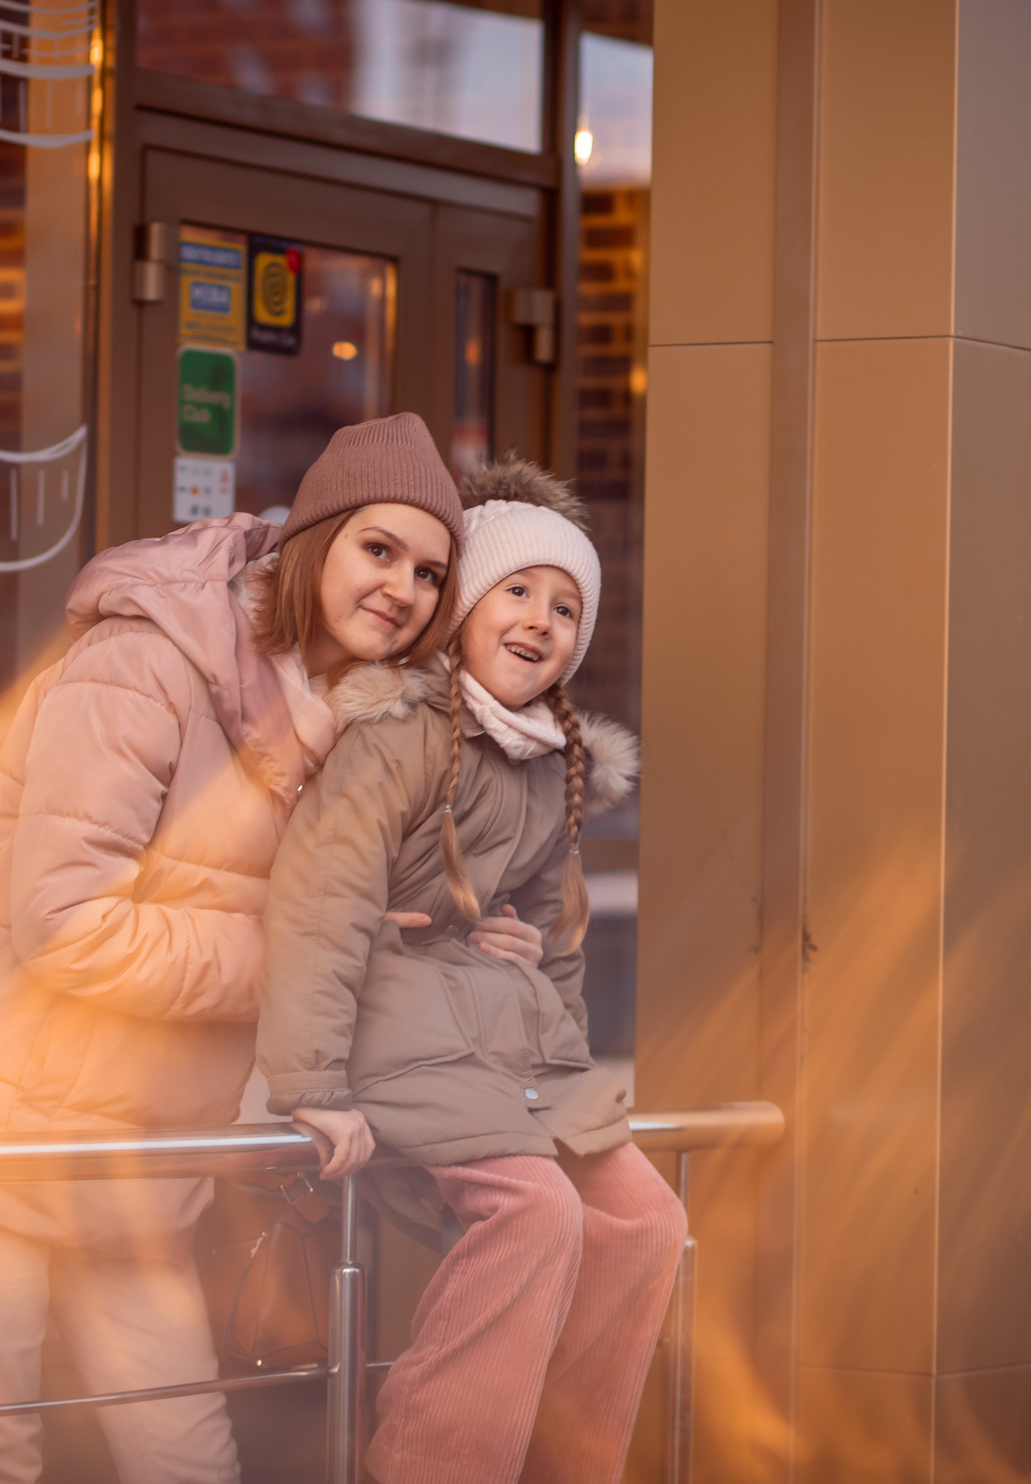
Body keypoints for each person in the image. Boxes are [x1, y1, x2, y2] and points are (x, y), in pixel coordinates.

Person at [0, 414, 541, 1484]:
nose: (401, 587)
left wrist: (472, 943)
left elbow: (362, 930)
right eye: (378, 549)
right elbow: (67, 926)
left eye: (427, 572)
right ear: (315, 537)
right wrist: (294, 959)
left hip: (138, 1161)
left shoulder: (356, 730)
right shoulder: (143, 663)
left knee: (187, 1459)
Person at [254, 458, 682, 1484]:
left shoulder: (546, 763)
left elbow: (558, 933)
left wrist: (565, 1071)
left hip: (502, 1051)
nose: (542, 620)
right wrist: (310, 1085)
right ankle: (432, 1464)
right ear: (463, 610)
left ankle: (559, 1461)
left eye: (567, 608)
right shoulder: (400, 734)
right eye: (518, 592)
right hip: (398, 1040)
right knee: (534, 1212)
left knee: (643, 1219)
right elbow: (320, 899)